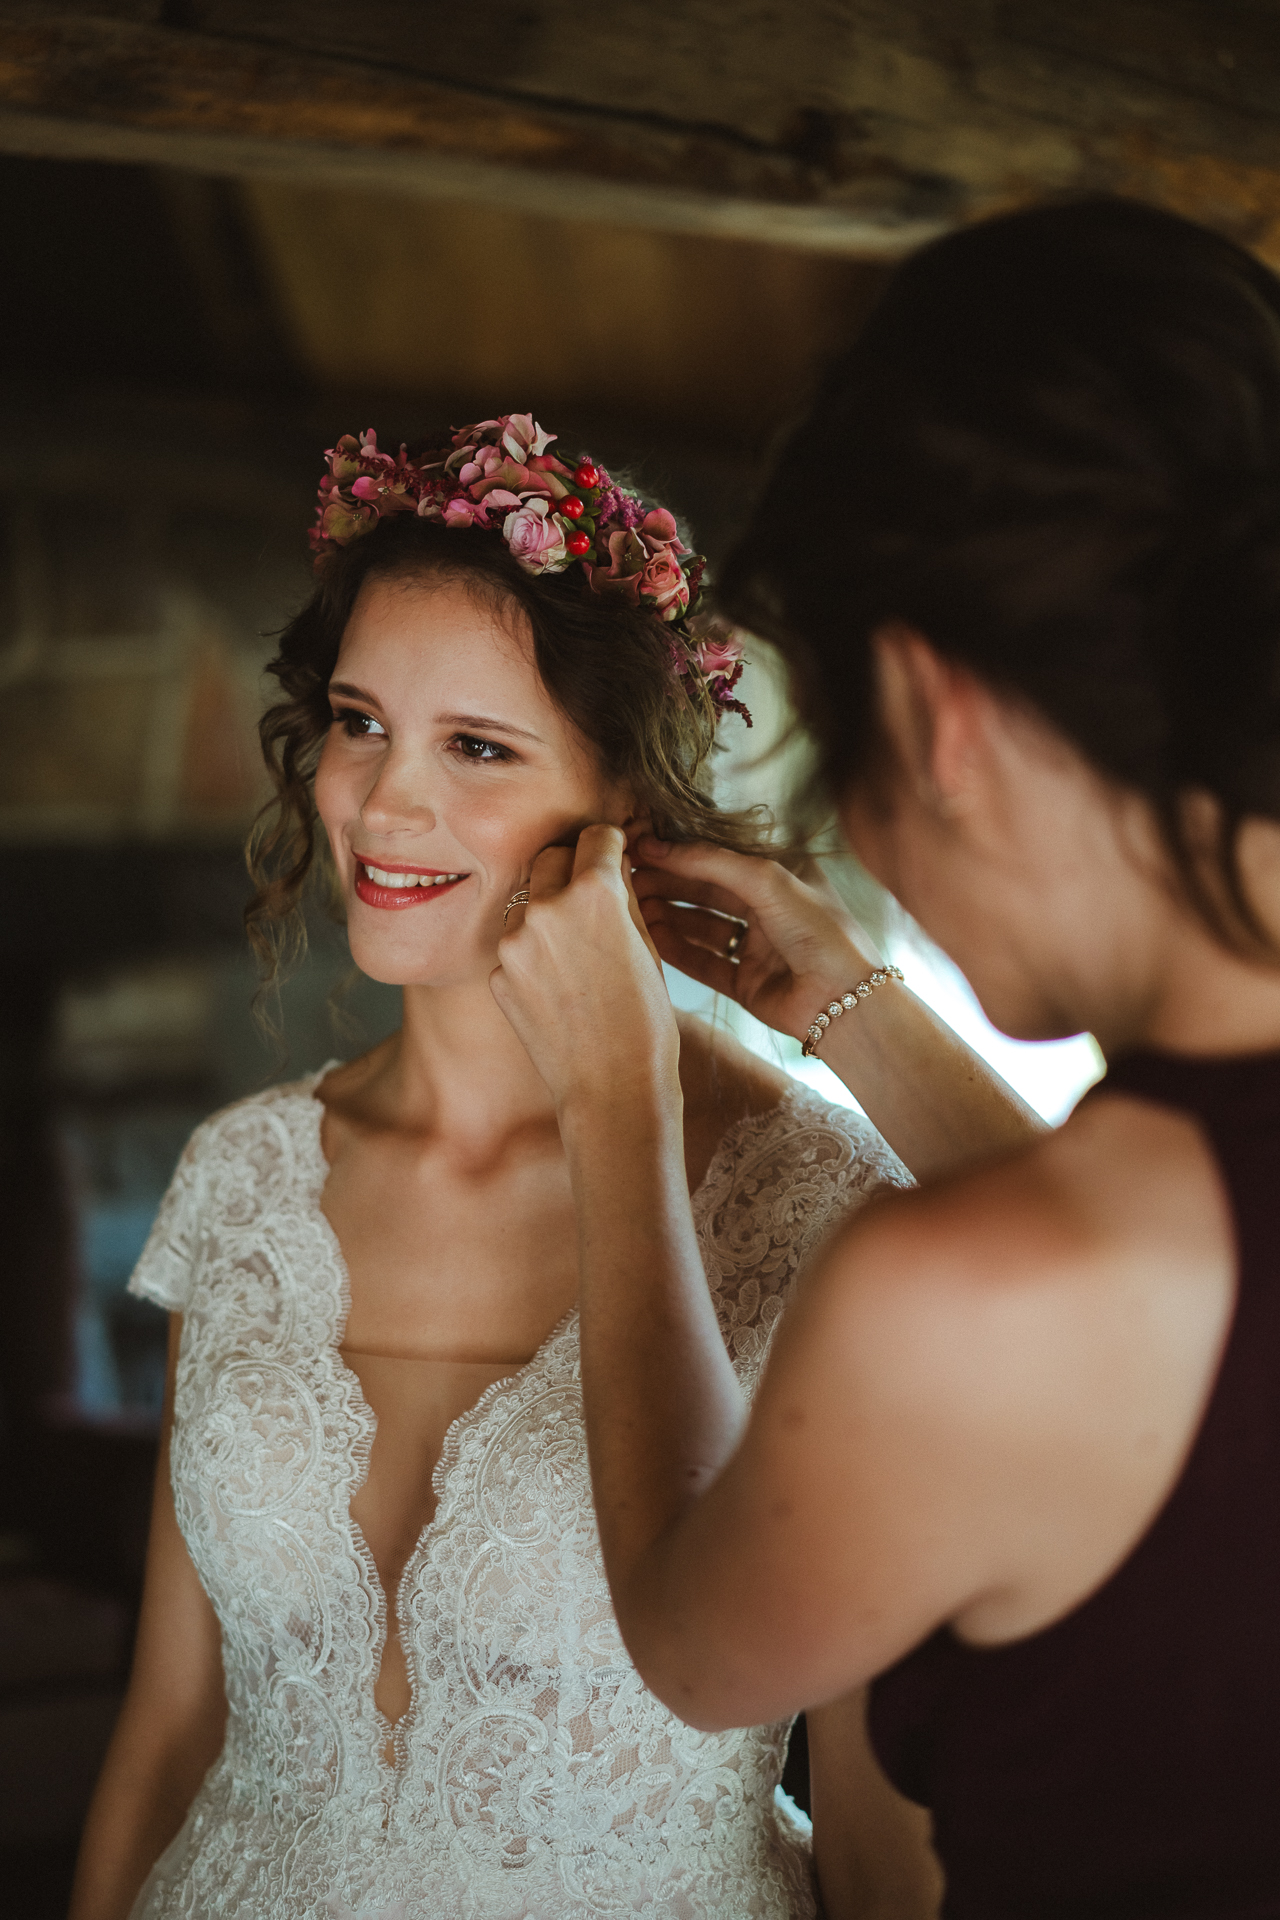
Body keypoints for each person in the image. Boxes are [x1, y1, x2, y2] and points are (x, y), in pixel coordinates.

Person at [69, 414, 1033, 1920]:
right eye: (361, 719)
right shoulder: (239, 1175)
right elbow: (171, 1724)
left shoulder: (813, 1204)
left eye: (479, 746)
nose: (385, 803)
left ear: (622, 803)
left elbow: (871, 1823)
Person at [490, 198, 1280, 1919]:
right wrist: (845, 995)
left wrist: (619, 1099)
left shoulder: (961, 1297)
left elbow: (702, 1648)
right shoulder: (1123, 1240)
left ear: (934, 710)